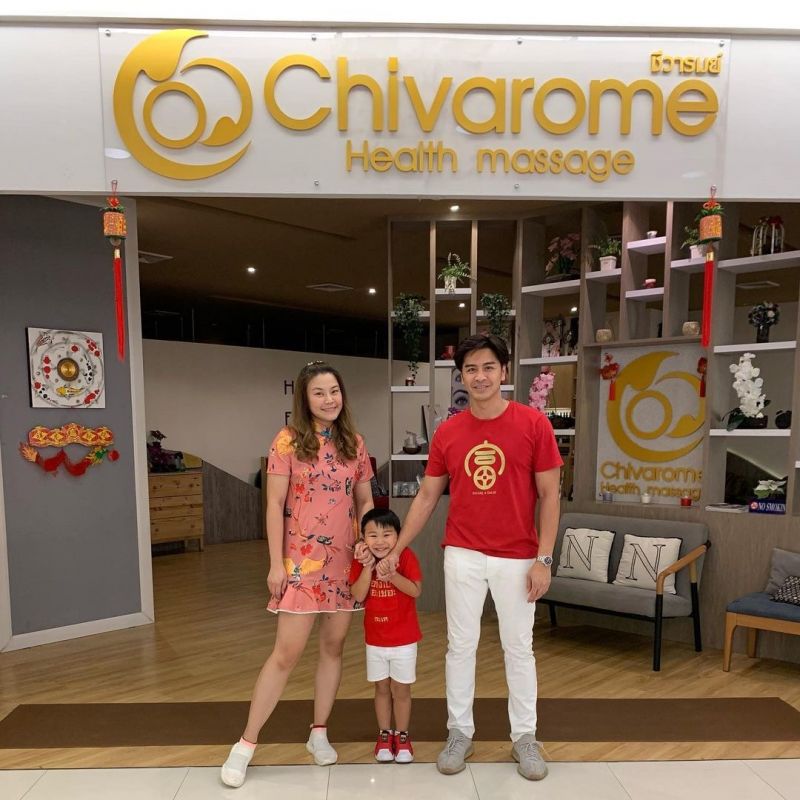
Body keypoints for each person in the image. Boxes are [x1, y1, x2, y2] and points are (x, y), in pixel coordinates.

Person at [378, 333, 562, 781]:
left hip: (518, 556)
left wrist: (544, 559)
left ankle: (525, 737)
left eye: (488, 367)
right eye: (471, 369)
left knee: (519, 648)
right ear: (461, 376)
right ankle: (459, 732)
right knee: (460, 647)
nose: (480, 377)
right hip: (462, 554)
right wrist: (397, 548)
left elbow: (550, 495)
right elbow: (426, 497)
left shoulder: (533, 424)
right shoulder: (448, 431)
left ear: (504, 372)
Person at [221, 360, 374, 788]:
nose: (329, 399)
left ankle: (318, 732)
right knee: (285, 654)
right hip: (300, 563)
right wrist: (276, 563)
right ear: (305, 399)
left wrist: (368, 539)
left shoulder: (354, 443)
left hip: (344, 561)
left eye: (334, 391)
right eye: (319, 393)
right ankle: (246, 744)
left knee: (333, 648)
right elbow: (274, 505)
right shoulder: (287, 441)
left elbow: (364, 500)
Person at [350, 508, 422, 764]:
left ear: (398, 536)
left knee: (401, 690)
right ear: (363, 538)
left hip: (404, 640)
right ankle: (384, 734)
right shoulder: (361, 561)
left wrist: (392, 576)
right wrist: (367, 568)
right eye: (372, 535)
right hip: (375, 640)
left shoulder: (406, 557)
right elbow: (358, 595)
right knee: (381, 688)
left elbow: (415, 590)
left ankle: (402, 735)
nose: (380, 541)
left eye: (387, 534)